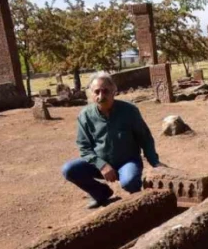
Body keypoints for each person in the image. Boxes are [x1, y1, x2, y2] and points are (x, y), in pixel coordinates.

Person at [61, 72, 161, 208]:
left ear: (114, 91)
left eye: (105, 91)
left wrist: (155, 162)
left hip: (127, 161)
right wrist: (101, 165)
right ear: (91, 93)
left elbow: (145, 138)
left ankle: (139, 203)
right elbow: (84, 147)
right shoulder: (85, 115)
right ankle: (101, 193)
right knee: (69, 169)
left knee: (129, 181)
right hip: (99, 164)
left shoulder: (129, 111)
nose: (101, 96)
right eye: (97, 92)